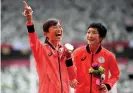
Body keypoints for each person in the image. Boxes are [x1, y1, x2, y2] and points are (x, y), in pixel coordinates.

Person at [23, 1, 78, 93]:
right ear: (46, 34)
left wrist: (69, 59)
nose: (59, 29)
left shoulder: (66, 51)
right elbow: (33, 39)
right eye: (55, 27)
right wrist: (29, 20)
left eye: (60, 27)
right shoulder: (41, 50)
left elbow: (73, 76)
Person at [72, 23, 120, 93]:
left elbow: (115, 75)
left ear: (101, 37)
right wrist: (72, 79)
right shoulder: (77, 52)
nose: (90, 35)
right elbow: (69, 70)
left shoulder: (109, 56)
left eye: (94, 33)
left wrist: (108, 85)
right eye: (88, 32)